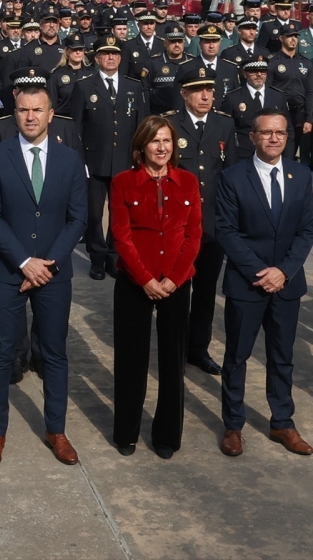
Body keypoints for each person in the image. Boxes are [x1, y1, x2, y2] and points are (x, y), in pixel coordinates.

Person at [0, 76, 87, 467]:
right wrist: (25, 262)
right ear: (14, 112)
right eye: (23, 109)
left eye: (37, 110)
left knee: (54, 353)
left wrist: (48, 263)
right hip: (8, 270)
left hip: (54, 272)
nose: (30, 116)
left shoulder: (69, 159)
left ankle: (56, 429)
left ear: (50, 114)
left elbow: (78, 218)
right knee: (0, 351)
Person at [214, 109, 313, 458]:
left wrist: (283, 272)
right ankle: (233, 425)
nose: (274, 138)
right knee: (237, 356)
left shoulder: (300, 175)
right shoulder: (233, 177)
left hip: (287, 284)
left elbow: (307, 229)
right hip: (248, 284)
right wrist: (261, 272)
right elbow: (226, 231)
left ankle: (282, 422)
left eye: (280, 133)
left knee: (282, 356)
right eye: (267, 132)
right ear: (253, 137)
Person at [109, 115, 201, 458]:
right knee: (131, 359)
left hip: (176, 282)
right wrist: (145, 279)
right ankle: (126, 432)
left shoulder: (188, 182)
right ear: (141, 146)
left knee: (173, 361)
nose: (161, 147)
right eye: (154, 141)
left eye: (166, 141)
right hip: (136, 282)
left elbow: (193, 235)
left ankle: (167, 436)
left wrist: (174, 279)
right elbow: (121, 236)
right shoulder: (123, 182)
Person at [165, 66, 237, 375]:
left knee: (206, 291)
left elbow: (230, 173)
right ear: (184, 93)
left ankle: (198, 349)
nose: (206, 96)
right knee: (176, 290)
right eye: (198, 90)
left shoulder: (224, 124)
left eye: (209, 90)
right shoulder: (169, 125)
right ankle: (174, 348)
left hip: (211, 225)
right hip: (177, 225)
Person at [68, 35, 150, 279]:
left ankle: (114, 257)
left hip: (125, 161)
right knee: (94, 214)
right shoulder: (84, 86)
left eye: (114, 53)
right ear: (97, 58)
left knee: (120, 214)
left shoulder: (134, 87)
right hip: (94, 162)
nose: (111, 57)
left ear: (121, 58)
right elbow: (75, 129)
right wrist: (79, 161)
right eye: (105, 53)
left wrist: (140, 159)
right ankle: (97, 257)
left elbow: (142, 127)